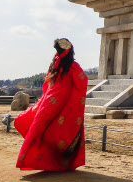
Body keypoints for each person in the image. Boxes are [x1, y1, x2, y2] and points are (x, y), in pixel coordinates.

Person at [14, 38, 88, 171]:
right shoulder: (73, 66)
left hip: (48, 102)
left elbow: (46, 85)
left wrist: (46, 97)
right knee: (58, 133)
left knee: (38, 129)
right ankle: (58, 163)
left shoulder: (54, 64)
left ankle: (29, 159)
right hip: (62, 103)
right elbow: (82, 82)